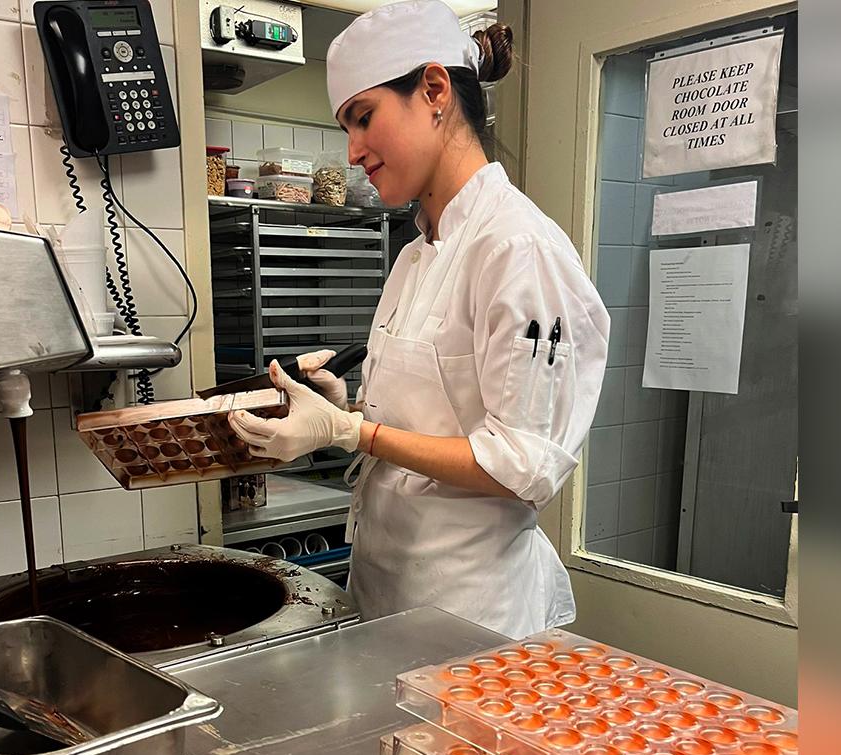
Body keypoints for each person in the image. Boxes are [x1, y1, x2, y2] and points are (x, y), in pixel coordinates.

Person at [229, 0, 609, 638]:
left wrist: (354, 433)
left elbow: (522, 468)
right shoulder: (416, 253)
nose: (351, 151)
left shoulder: (518, 249)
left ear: (434, 90)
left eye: (363, 117)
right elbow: (441, 414)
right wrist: (348, 405)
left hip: (472, 619)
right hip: (387, 593)